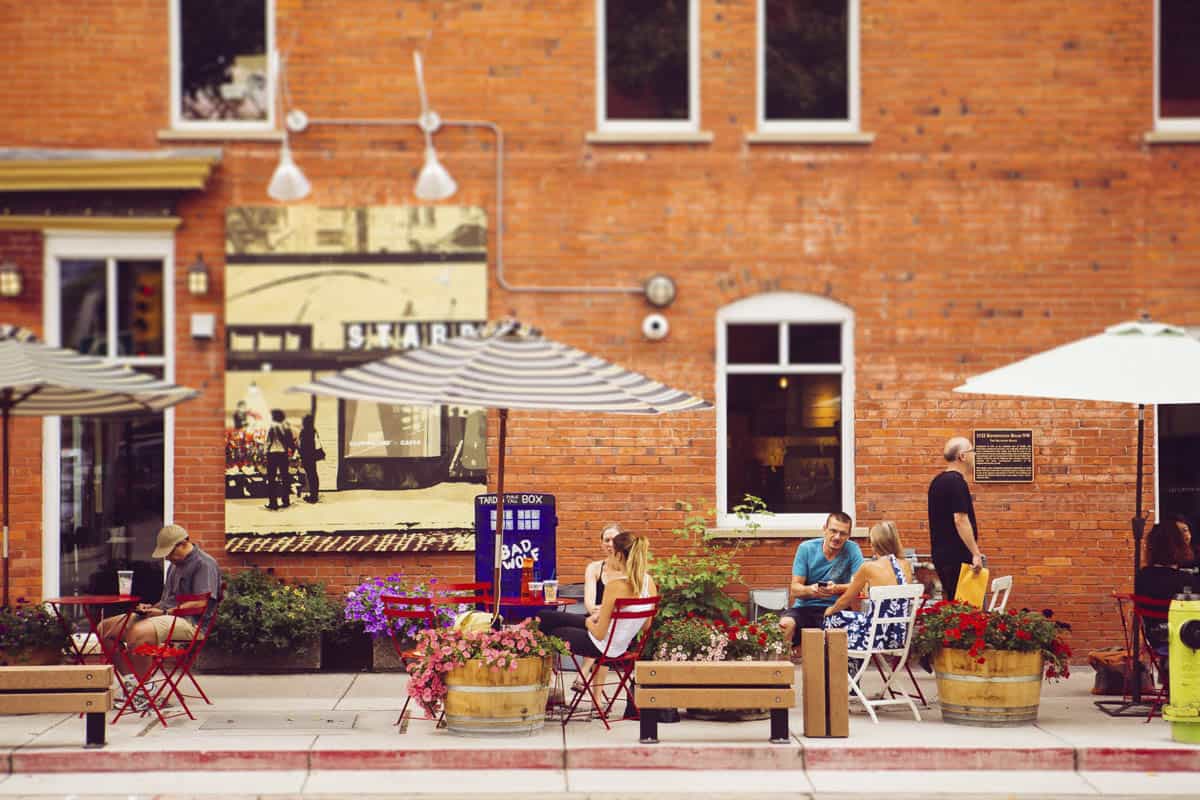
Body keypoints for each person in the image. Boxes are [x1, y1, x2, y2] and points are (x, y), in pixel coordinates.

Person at [96, 525, 221, 707]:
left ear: (183, 544)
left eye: (169, 552)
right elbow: (168, 601)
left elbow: (200, 604)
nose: (167, 557)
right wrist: (150, 609)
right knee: (106, 629)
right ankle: (134, 686)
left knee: (138, 632)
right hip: (166, 616)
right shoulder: (174, 566)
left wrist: (163, 613)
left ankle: (146, 691)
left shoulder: (204, 564)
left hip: (191, 623)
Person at [538, 531, 657, 667]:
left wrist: (589, 622)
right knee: (547, 616)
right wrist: (614, 614)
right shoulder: (648, 582)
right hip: (621, 645)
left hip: (601, 646)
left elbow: (599, 634)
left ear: (618, 555)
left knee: (549, 629)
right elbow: (646, 625)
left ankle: (536, 677)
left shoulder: (615, 586)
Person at [823, 521, 915, 674]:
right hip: (898, 636)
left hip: (875, 637)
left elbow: (846, 599)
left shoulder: (869, 567)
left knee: (833, 619)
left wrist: (830, 610)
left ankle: (844, 676)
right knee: (855, 620)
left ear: (874, 543)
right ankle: (852, 676)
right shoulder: (905, 565)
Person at [779, 512, 864, 648]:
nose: (837, 537)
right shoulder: (806, 548)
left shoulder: (852, 549)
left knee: (849, 631)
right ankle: (781, 668)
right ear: (824, 529)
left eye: (842, 533)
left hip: (836, 608)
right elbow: (795, 589)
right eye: (833, 531)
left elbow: (859, 586)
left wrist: (836, 589)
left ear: (849, 535)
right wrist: (812, 590)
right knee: (785, 624)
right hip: (805, 608)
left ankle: (840, 668)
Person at [928, 436, 984, 602]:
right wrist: (975, 553)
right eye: (972, 451)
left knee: (955, 605)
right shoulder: (956, 482)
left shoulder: (937, 482)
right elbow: (960, 519)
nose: (975, 455)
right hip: (957, 556)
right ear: (962, 456)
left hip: (942, 555)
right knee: (966, 608)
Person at [1135, 522, 1194, 663]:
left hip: (1157, 639)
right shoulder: (1186, 580)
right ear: (1178, 546)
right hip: (1187, 640)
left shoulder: (1141, 577)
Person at [264, 409, 294, 510]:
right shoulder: (286, 426)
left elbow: (268, 441)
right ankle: (286, 500)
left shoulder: (272, 426)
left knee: (272, 479)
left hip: (272, 454)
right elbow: (290, 440)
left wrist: (265, 453)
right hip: (283, 454)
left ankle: (273, 503)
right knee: (285, 478)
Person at [297, 414, 322, 504]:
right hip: (313, 456)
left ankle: (313, 497)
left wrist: (300, 453)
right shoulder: (313, 430)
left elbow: (300, 445)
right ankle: (314, 495)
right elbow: (317, 442)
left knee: (311, 476)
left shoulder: (303, 431)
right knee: (314, 475)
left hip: (306, 456)